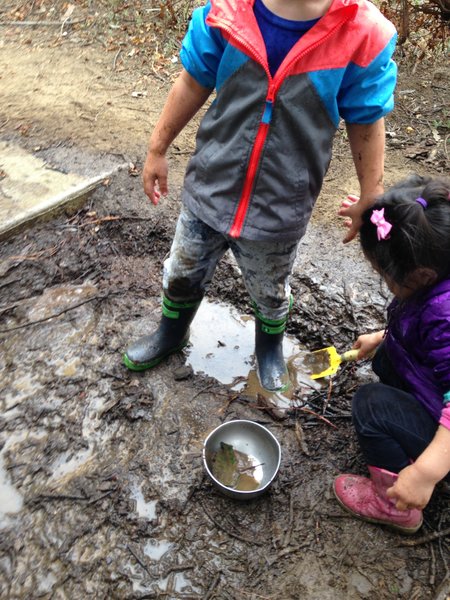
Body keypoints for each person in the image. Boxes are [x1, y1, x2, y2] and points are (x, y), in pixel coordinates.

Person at [123, 0, 398, 391]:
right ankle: (171, 332)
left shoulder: (361, 35)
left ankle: (268, 348)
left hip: (280, 205)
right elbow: (191, 81)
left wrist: (371, 194)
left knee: (270, 291)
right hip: (209, 189)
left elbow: (367, 118)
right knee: (183, 271)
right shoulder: (225, 12)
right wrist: (157, 148)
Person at [334, 174, 450, 534]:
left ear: (422, 275)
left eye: (385, 274)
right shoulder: (436, 280)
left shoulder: (444, 315)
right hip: (431, 385)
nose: (383, 279)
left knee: (369, 404)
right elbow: (426, 335)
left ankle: (395, 506)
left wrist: (425, 473)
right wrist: (385, 336)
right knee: (386, 357)